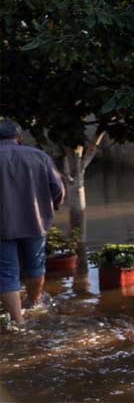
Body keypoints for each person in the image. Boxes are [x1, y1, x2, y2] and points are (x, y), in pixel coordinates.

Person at [0, 118, 65, 329]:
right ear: (19, 137)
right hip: (35, 221)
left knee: (6, 271)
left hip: (2, 226)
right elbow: (58, 190)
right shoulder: (39, 156)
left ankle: (18, 321)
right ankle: (33, 303)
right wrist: (53, 205)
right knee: (35, 265)